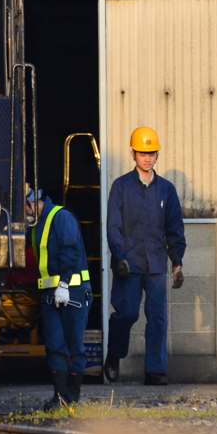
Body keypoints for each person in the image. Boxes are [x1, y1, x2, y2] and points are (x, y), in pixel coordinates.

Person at [104, 126, 185, 386]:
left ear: (157, 154)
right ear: (133, 154)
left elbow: (174, 227)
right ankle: (115, 354)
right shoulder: (121, 187)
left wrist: (177, 262)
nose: (147, 158)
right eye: (142, 153)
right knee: (126, 314)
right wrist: (119, 256)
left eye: (151, 153)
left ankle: (155, 371)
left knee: (158, 316)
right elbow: (113, 225)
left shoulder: (166, 190)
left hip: (156, 264)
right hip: (128, 263)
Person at [26, 185, 92, 410]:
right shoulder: (36, 224)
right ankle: (60, 397)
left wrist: (63, 284)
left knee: (74, 347)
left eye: (27, 207)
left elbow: (70, 252)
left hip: (72, 291)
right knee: (55, 346)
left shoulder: (61, 217)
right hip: (50, 294)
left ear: (34, 202)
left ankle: (72, 398)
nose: (25, 211)